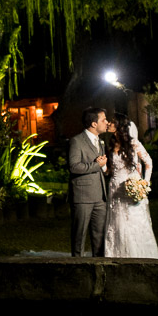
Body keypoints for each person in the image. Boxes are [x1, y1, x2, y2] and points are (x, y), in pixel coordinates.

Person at [103, 113, 158, 259]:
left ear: (119, 126)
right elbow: (109, 171)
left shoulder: (134, 144)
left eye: (112, 121)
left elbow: (149, 163)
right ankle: (117, 255)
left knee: (133, 223)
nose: (109, 124)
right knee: (117, 224)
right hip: (114, 187)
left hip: (131, 187)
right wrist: (103, 166)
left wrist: (144, 183)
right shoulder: (109, 144)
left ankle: (138, 255)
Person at [68, 107, 109, 257]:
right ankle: (76, 268)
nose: (107, 122)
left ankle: (98, 268)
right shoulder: (76, 141)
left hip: (100, 197)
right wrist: (96, 165)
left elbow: (101, 167)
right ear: (93, 123)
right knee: (79, 237)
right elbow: (74, 167)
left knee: (99, 238)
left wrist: (104, 167)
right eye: (103, 119)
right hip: (83, 197)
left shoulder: (101, 142)